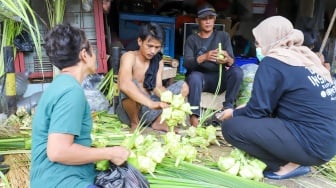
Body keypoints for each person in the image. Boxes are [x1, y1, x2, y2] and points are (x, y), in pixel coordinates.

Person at [219, 16, 336, 180]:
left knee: (231, 127)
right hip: (328, 144)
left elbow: (257, 111)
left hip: (310, 145)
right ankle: (295, 159)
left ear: (271, 40)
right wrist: (246, 108)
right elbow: (276, 103)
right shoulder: (305, 57)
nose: (257, 47)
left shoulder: (273, 61)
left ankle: (285, 164)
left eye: (258, 42)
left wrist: (233, 113)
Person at [30, 24, 130, 188]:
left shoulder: (60, 85)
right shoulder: (71, 92)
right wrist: (110, 152)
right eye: (93, 49)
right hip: (63, 182)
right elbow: (58, 151)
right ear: (84, 54)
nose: (97, 55)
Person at [116, 22, 189, 132]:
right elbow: (124, 84)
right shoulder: (129, 57)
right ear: (140, 41)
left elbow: (157, 87)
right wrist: (150, 103)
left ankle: (158, 122)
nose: (153, 51)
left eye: (157, 47)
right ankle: (135, 123)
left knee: (183, 86)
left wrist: (169, 98)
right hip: (129, 112)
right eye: (150, 46)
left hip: (151, 109)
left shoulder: (158, 61)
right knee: (130, 85)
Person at [183, 2, 243, 127]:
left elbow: (232, 62)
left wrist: (226, 59)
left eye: (210, 18)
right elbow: (187, 64)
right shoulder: (192, 39)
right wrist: (204, 57)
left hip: (221, 79)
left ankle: (227, 108)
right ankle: (194, 116)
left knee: (237, 71)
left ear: (215, 19)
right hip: (203, 80)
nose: (208, 21)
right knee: (194, 76)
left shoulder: (223, 36)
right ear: (197, 20)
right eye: (204, 19)